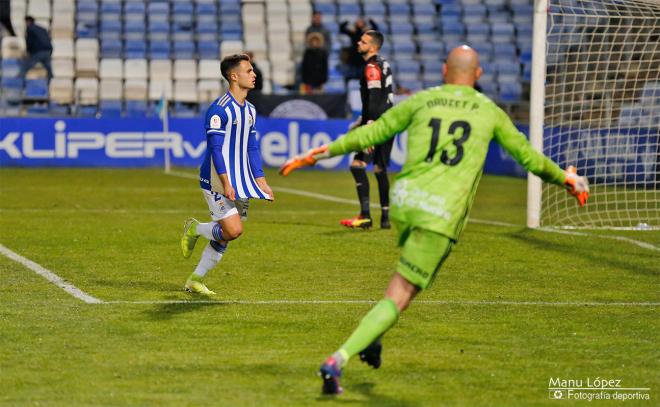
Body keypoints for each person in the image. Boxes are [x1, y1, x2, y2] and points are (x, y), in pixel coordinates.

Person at [279, 45, 590, 395]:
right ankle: (338, 360)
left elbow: (369, 134)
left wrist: (315, 154)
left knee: (406, 285)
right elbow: (528, 158)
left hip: (405, 203)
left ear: (444, 71)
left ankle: (374, 339)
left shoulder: (422, 100)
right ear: (479, 75)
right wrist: (565, 178)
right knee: (399, 295)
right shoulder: (488, 111)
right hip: (440, 214)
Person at [180, 54, 274, 295]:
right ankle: (196, 229)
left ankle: (195, 279)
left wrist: (261, 180)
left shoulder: (250, 110)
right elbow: (216, 149)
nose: (254, 75)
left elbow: (252, 147)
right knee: (233, 230)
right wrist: (225, 182)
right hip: (216, 179)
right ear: (234, 76)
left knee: (226, 236)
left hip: (241, 180)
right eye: (249, 70)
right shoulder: (219, 110)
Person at [340, 30, 394, 229]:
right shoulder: (383, 63)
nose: (358, 43)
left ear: (373, 46)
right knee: (380, 169)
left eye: (362, 41)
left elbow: (373, 97)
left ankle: (365, 216)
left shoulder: (371, 66)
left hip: (376, 124)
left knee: (357, 165)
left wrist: (369, 124)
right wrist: (361, 120)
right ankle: (385, 218)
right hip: (389, 121)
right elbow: (381, 96)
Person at [19, 16, 53, 81]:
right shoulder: (42, 29)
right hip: (48, 51)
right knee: (49, 70)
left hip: (39, 52)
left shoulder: (30, 29)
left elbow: (29, 42)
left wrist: (28, 52)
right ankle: (50, 85)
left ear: (28, 22)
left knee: (25, 68)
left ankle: (19, 84)